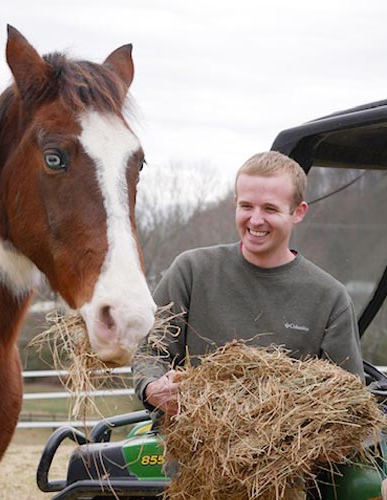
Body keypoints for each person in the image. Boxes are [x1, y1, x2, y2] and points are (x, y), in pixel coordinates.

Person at [132, 150, 365, 417]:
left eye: (269, 209)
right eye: (246, 206)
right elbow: (151, 350)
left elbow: (349, 397)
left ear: (297, 212)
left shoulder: (329, 298)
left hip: (286, 455)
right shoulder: (192, 271)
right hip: (195, 449)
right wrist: (152, 387)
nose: (255, 220)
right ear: (235, 203)